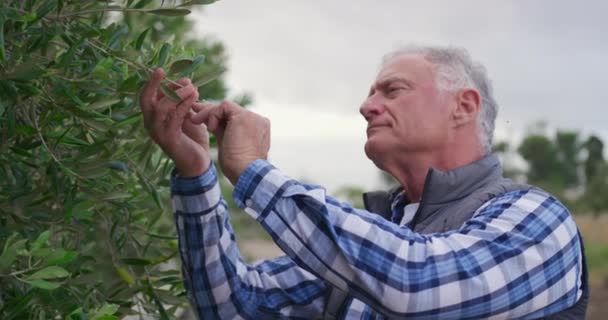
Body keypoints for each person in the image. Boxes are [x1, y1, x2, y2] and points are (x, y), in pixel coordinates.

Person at [139, 45, 588, 319]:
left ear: (464, 106)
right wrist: (197, 173)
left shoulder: (538, 220)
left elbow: (414, 285)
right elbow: (236, 306)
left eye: (391, 90)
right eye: (371, 93)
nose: (365, 106)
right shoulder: (376, 235)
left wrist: (255, 171)